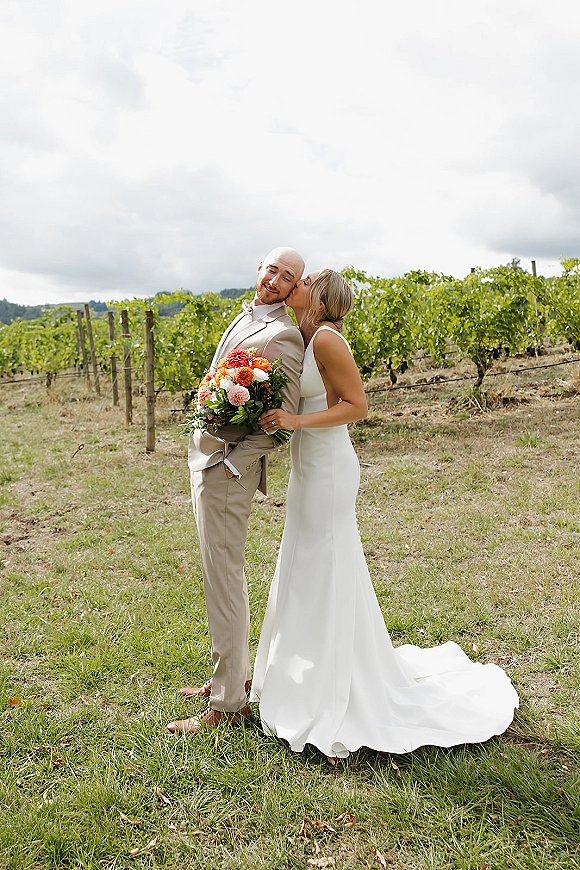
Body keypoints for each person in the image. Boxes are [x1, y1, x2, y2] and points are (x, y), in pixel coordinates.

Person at [252, 268, 518, 758]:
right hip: (309, 464)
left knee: (326, 563)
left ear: (321, 298)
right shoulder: (305, 338)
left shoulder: (329, 340)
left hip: (329, 466)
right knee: (306, 561)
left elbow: (358, 407)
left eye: (303, 282)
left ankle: (332, 684)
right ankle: (302, 671)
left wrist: (295, 421)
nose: (295, 286)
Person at [167, 247, 305, 735]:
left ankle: (228, 703)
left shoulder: (283, 334)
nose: (275, 279)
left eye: (287, 277)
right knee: (217, 575)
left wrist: (231, 464)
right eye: (272, 269)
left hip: (226, 471)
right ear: (259, 270)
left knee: (223, 581)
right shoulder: (246, 317)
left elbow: (279, 421)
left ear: (293, 290)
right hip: (206, 458)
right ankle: (232, 675)